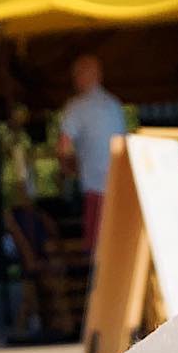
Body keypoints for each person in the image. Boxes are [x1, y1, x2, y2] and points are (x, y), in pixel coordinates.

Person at [58, 55, 126, 250]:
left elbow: (63, 146)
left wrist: (67, 170)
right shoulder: (114, 104)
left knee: (98, 249)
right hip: (120, 184)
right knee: (118, 244)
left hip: (96, 186)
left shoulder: (76, 107)